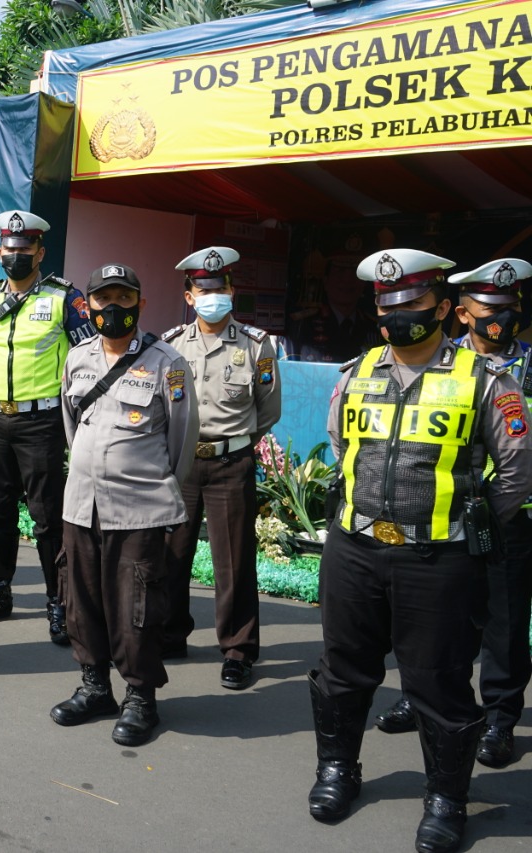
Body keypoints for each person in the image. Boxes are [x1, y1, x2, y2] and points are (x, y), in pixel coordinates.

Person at [306, 249, 532, 853]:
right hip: (355, 551)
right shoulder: (356, 372)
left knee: (438, 683)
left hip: (438, 560)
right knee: (343, 670)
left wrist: (463, 526)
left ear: (442, 309)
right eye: (388, 306)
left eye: (412, 305)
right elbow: (338, 445)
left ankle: (446, 798)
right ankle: (337, 769)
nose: (399, 316)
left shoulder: (486, 381)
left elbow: (513, 474)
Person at [372, 257, 532, 770]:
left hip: (510, 516)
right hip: (444, 520)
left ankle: (501, 719)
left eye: (510, 309)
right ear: (462, 314)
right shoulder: (438, 359)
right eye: (490, 309)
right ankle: (423, 697)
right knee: (439, 622)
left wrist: (496, 510)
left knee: (505, 625)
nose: (502, 319)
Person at [51, 263, 197, 746]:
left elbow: (182, 440)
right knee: (80, 599)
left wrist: (150, 488)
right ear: (88, 305)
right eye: (102, 299)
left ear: (140, 303)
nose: (113, 308)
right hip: (81, 506)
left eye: (123, 298)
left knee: (136, 606)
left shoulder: (167, 363)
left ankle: (140, 697)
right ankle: (95, 686)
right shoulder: (77, 359)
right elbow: (74, 428)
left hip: (137, 510)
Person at [0, 209, 94, 645]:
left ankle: (58, 602)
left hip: (42, 421)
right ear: (0, 252)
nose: (16, 255)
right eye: (9, 250)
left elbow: (89, 355)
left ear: (39, 252)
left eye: (25, 249)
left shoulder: (63, 299)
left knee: (47, 516)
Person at [160, 246, 281, 690]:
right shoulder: (170, 345)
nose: (214, 296)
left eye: (221, 288)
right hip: (184, 462)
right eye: (203, 289)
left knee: (234, 561)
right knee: (172, 553)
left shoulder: (256, 345)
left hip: (232, 462)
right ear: (189, 296)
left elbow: (268, 410)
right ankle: (170, 635)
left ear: (232, 291)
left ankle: (237, 650)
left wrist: (237, 443)